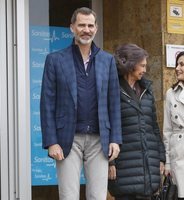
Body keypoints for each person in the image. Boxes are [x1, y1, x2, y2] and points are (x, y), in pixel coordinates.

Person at [40, 7, 122, 200]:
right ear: (72, 28)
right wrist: (52, 142)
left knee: (97, 196)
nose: (86, 30)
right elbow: (47, 104)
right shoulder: (55, 60)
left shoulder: (107, 60)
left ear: (96, 28)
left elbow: (114, 103)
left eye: (90, 25)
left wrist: (115, 139)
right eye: (82, 25)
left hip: (99, 139)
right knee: (68, 196)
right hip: (68, 139)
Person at [108, 44, 166, 200]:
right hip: (124, 166)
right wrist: (110, 162)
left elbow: (154, 126)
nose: (145, 70)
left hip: (149, 165)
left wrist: (161, 157)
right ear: (130, 65)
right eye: (142, 65)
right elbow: (107, 127)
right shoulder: (113, 89)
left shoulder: (147, 90)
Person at [163, 51, 184, 199]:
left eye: (182, 64)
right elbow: (167, 131)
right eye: (177, 64)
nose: (177, 68)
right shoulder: (171, 93)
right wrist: (168, 163)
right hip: (178, 156)